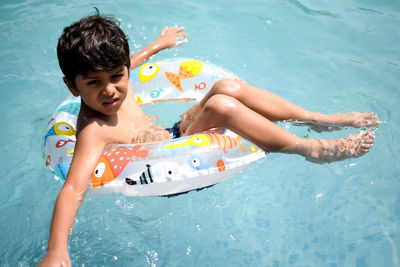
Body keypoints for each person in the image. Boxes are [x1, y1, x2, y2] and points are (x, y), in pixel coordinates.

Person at [39, 12, 378, 266]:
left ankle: (317, 119)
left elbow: (132, 61)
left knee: (226, 88)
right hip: (168, 166)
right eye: (94, 83)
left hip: (174, 135)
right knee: (220, 105)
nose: (110, 90)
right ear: (73, 86)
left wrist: (160, 43)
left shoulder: (116, 76)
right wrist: (57, 248)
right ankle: (312, 149)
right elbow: (73, 188)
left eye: (117, 77)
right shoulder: (94, 129)